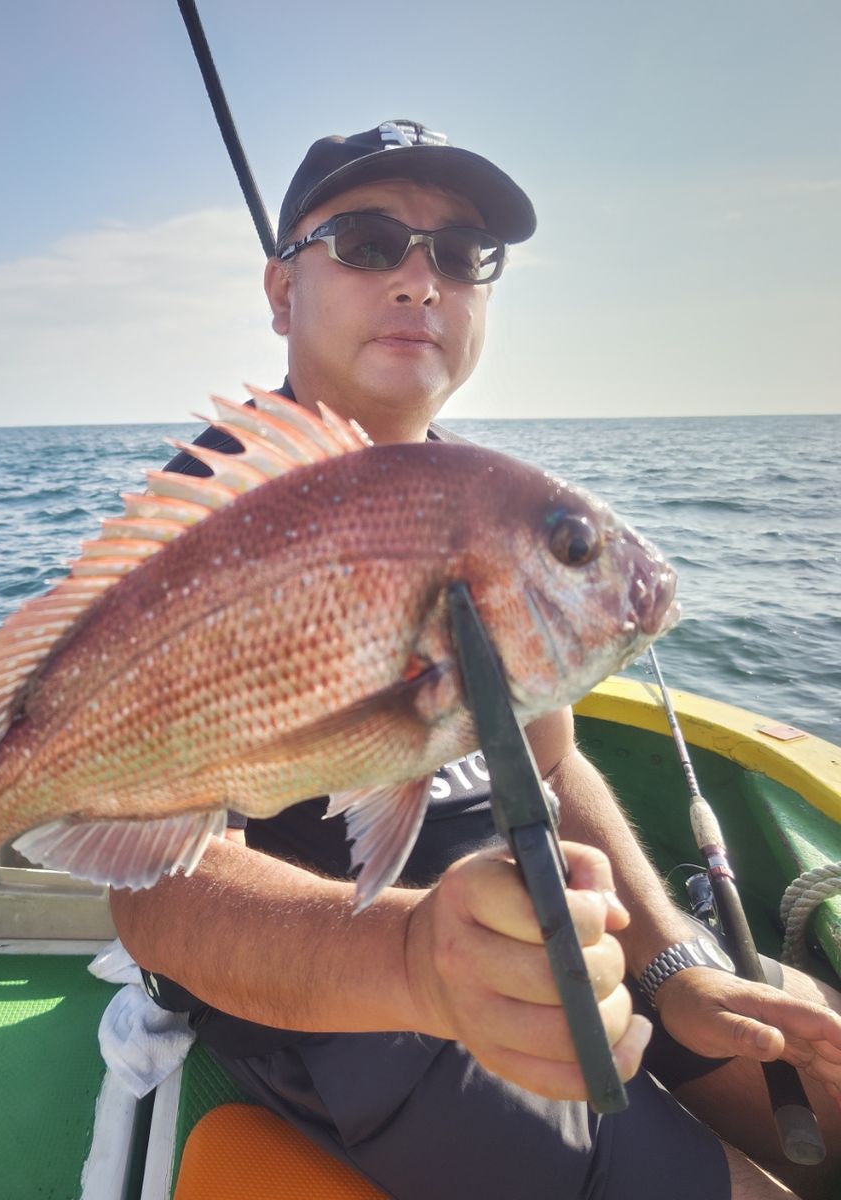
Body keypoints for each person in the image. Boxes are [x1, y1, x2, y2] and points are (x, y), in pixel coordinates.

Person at [109, 119, 841, 1199]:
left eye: (460, 255)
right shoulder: (207, 517)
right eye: (365, 242)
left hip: (557, 927)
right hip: (359, 1002)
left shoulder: (488, 507)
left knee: (823, 1074)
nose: (420, 280)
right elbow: (156, 891)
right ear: (280, 291)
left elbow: (552, 769)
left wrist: (673, 964)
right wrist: (415, 965)